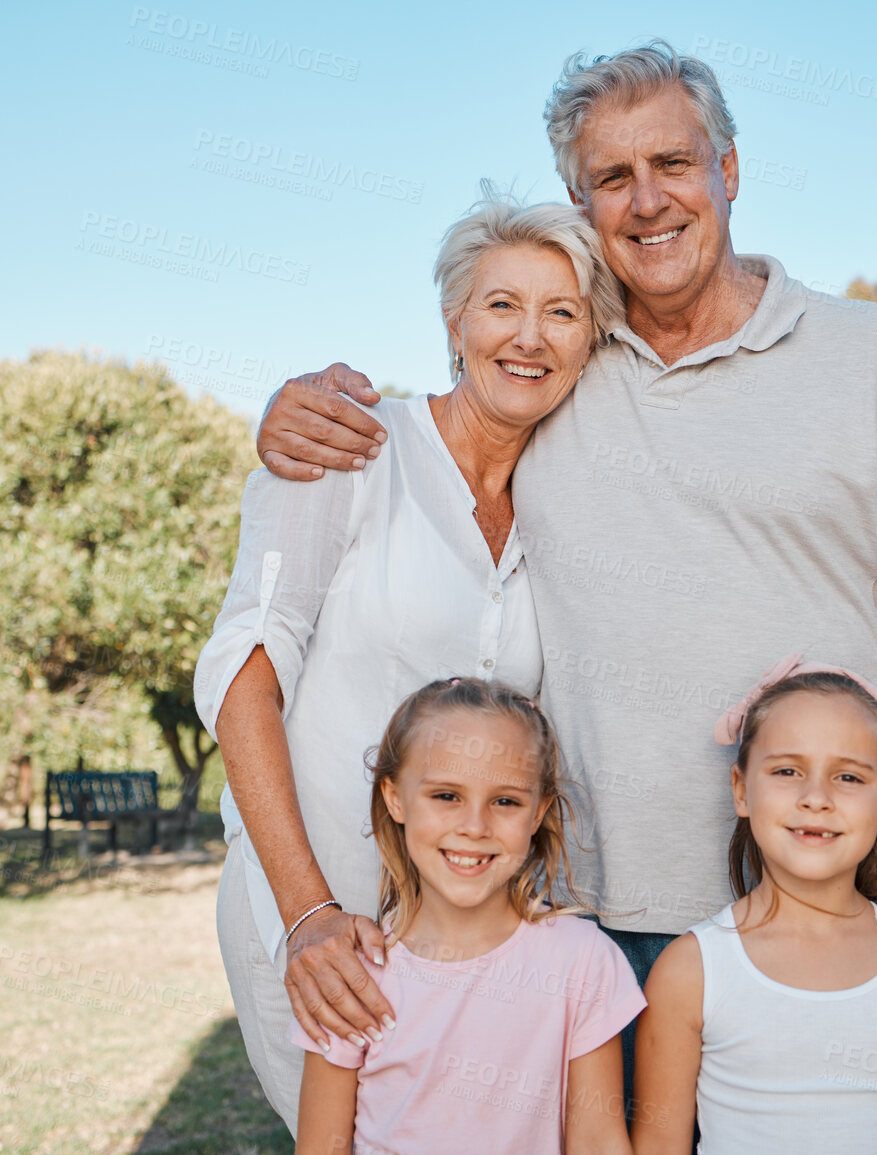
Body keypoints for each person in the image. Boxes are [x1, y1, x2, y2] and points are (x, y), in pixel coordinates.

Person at [254, 40, 877, 1076]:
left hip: (819, 901)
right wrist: (297, 409)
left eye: (674, 165)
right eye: (613, 177)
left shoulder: (870, 355)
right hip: (580, 921)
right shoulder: (557, 364)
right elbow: (438, 439)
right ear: (581, 200)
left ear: (729, 171)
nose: (648, 201)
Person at [193, 190, 625, 1134]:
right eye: (501, 304)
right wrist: (307, 914)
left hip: (478, 940)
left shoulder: (565, 501)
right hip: (320, 917)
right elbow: (243, 680)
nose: (530, 336)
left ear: (590, 339)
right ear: (454, 321)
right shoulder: (347, 448)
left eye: (563, 311)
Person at [632, 658, 877, 1154]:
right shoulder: (692, 971)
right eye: (787, 770)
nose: (815, 797)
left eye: (849, 778)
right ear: (741, 790)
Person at [293, 678, 642, 1154]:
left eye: (505, 801)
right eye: (446, 796)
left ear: (537, 813)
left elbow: (599, 1142)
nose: (474, 826)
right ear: (395, 798)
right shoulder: (354, 973)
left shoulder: (585, 962)